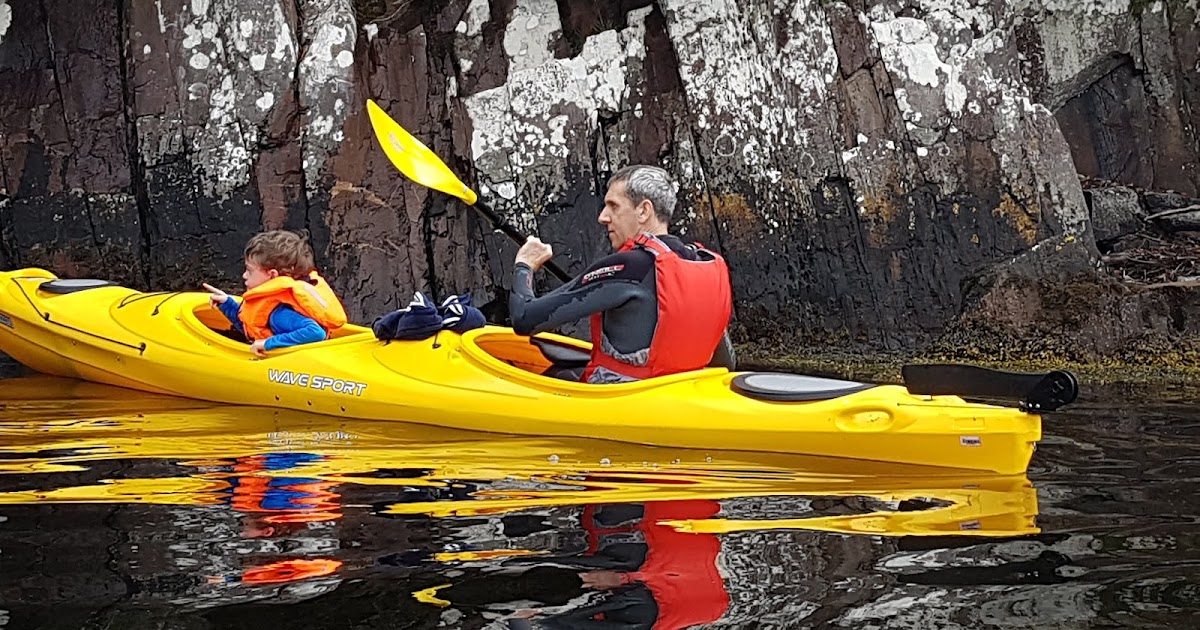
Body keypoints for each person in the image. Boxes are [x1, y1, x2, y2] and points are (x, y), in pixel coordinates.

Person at [510, 165, 733, 383]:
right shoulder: (704, 263)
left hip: (626, 400)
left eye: (613, 206)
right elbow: (726, 362)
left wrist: (524, 265)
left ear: (644, 210)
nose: (602, 217)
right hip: (681, 393)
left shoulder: (629, 267)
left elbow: (523, 318)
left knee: (554, 374)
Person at [203, 230, 347, 356]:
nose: (244, 276)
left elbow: (315, 332)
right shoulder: (277, 306)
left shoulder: (279, 313)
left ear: (272, 275)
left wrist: (268, 344)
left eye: (250, 271)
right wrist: (227, 304)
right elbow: (252, 328)